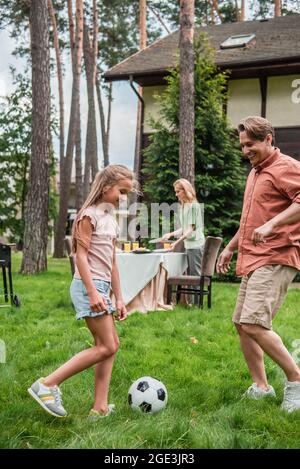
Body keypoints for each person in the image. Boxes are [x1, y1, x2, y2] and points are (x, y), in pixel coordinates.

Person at [28, 165, 135, 419]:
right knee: (107, 345)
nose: (123, 197)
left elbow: (112, 262)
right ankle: (47, 384)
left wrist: (118, 297)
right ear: (106, 186)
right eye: (121, 191)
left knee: (109, 345)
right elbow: (80, 256)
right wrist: (93, 292)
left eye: (127, 193)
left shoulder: (110, 219)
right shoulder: (88, 215)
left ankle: (99, 408)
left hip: (102, 288)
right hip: (89, 287)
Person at [217, 116, 300, 412]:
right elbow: (250, 220)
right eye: (242, 146)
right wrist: (229, 248)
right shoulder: (255, 173)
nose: (244, 151)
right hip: (253, 257)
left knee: (254, 322)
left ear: (268, 139)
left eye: (249, 144)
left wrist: (273, 225)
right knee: (242, 324)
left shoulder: (286, 167)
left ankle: (296, 380)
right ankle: (262, 387)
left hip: (277, 254)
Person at [162, 178, 205, 302]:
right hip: (189, 245)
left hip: (196, 245)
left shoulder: (193, 206)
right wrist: (170, 234)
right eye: (175, 192)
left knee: (195, 275)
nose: (176, 194)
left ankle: (198, 304)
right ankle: (192, 304)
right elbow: (184, 228)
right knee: (191, 275)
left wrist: (176, 242)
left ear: (185, 190)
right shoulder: (184, 207)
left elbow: (190, 230)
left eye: (178, 191)